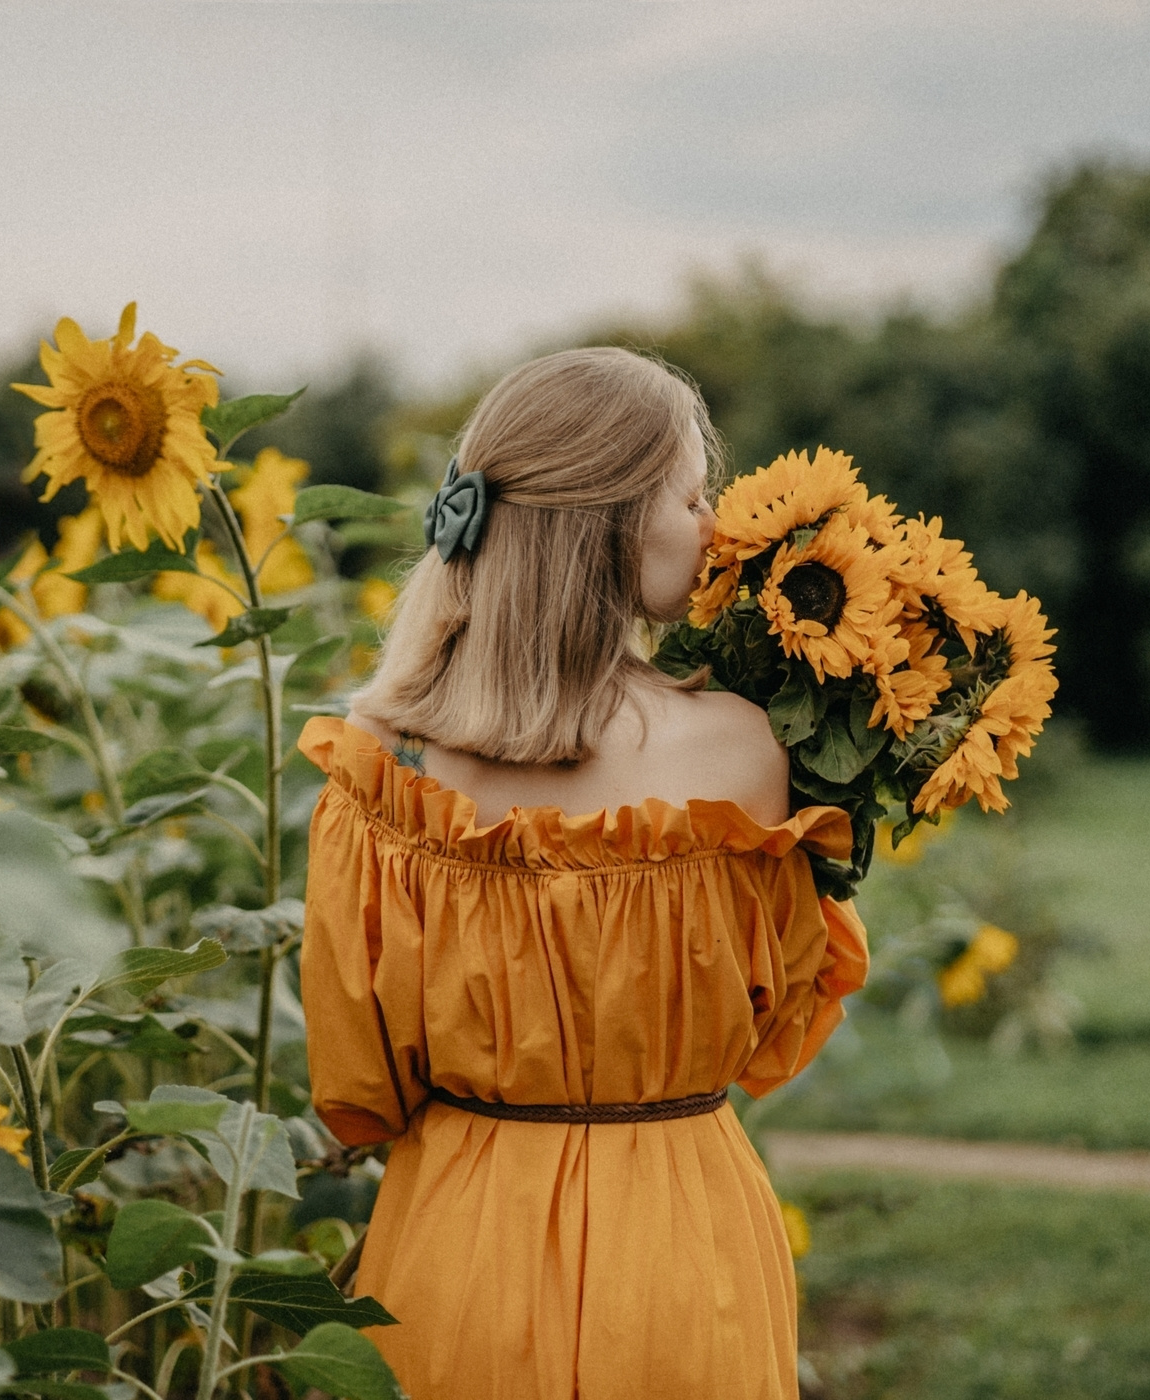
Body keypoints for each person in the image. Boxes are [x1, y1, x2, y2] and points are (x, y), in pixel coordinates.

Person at [296, 347, 871, 1400]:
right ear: (609, 519)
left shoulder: (386, 764)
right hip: (683, 1246)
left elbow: (357, 1083)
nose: (712, 528)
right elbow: (775, 1018)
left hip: (456, 1241)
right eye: (690, 495)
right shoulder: (743, 750)